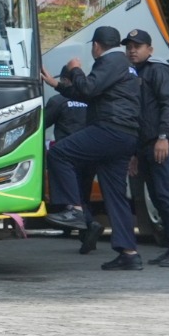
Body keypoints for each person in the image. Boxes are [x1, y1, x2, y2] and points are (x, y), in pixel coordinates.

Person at [40, 24, 145, 270]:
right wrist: (58, 85)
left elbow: (87, 88)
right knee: (115, 195)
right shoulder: (125, 66)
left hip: (110, 129)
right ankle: (129, 253)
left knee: (58, 153)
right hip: (125, 135)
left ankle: (74, 208)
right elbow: (90, 96)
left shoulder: (110, 62)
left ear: (96, 47)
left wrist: (75, 70)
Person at [124, 29, 169, 267]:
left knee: (166, 194)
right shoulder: (133, 73)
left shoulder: (158, 69)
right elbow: (136, 116)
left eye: (138, 46)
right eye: (129, 46)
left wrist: (163, 136)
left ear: (150, 50)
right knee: (156, 196)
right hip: (144, 145)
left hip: (162, 141)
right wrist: (134, 153)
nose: (132, 50)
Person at [42, 66, 100, 254]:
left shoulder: (59, 100)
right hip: (91, 155)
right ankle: (86, 235)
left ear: (65, 81)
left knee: (72, 198)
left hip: (67, 157)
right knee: (83, 196)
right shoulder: (91, 100)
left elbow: (40, 123)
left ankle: (90, 225)